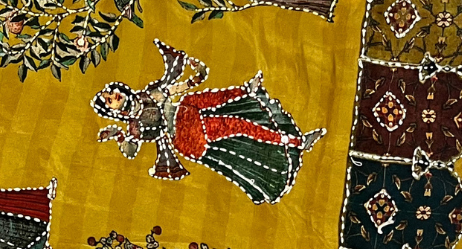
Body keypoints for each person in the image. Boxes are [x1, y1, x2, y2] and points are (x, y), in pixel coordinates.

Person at [91, 39, 324, 205]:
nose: (114, 97)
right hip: (187, 134)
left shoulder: (148, 94)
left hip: (188, 112)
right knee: (240, 126)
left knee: (198, 100)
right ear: (112, 110)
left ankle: (245, 91)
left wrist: (198, 76)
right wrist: (117, 135)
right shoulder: (135, 127)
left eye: (112, 92)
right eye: (109, 100)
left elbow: (177, 88)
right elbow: (131, 150)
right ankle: (296, 142)